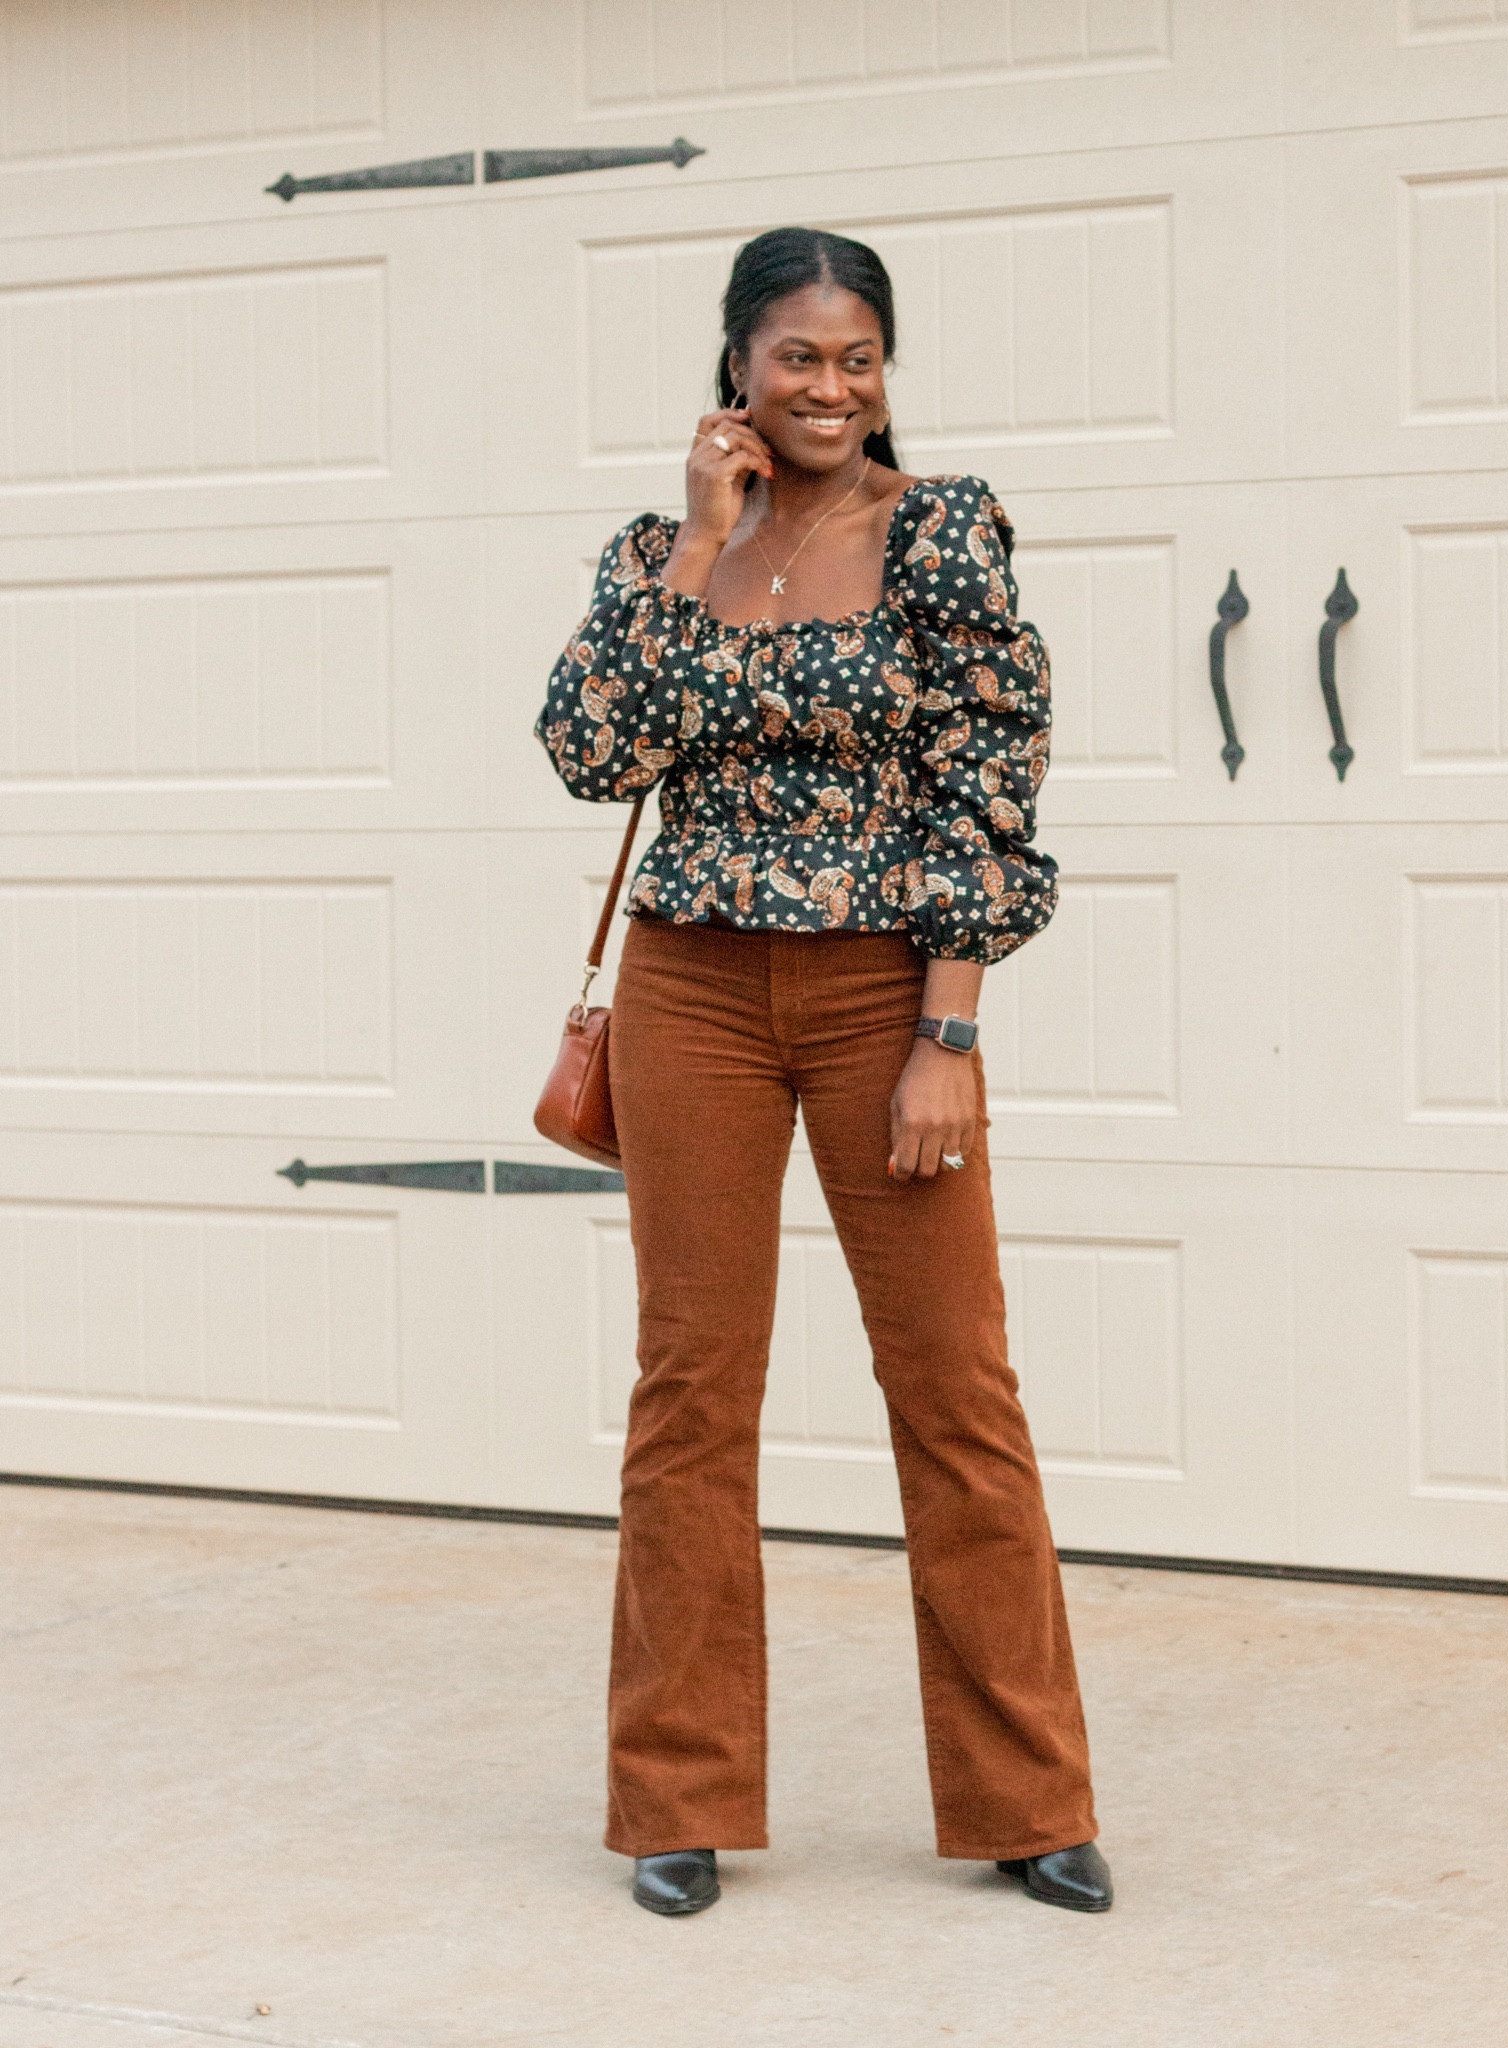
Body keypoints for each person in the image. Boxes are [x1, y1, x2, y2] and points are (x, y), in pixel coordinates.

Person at [537, 226, 1110, 1919]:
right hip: (690, 991)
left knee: (956, 1394)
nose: (832, 389)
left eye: (859, 358)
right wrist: (701, 546)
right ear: (737, 369)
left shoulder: (939, 533)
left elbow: (987, 782)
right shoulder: (661, 548)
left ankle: (1028, 1798)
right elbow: (590, 753)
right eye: (799, 356)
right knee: (689, 1395)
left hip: (883, 997)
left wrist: (950, 1028)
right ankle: (676, 1798)